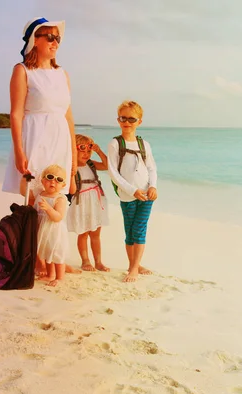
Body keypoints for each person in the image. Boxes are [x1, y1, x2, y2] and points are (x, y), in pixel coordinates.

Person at [2, 17, 77, 198]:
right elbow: (16, 114)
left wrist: (74, 152)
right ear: (35, 40)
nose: (55, 43)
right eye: (50, 37)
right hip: (35, 140)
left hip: (60, 141)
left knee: (57, 200)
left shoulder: (62, 74)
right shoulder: (22, 71)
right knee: (34, 198)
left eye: (58, 38)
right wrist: (19, 152)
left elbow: (68, 116)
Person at [107, 100, 158, 282]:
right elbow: (113, 172)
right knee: (129, 232)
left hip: (146, 195)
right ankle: (133, 265)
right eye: (123, 118)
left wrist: (153, 186)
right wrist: (132, 190)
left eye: (131, 119)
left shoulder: (144, 144)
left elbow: (151, 168)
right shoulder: (115, 143)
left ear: (139, 122)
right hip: (127, 196)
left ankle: (135, 267)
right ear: (118, 120)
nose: (127, 122)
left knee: (139, 229)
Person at [67, 134, 110, 272]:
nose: (86, 154)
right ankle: (85, 261)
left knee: (96, 234)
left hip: (96, 201)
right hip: (82, 202)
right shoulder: (71, 167)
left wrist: (98, 151)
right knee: (83, 233)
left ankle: (98, 262)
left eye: (89, 151)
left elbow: (107, 165)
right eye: (82, 151)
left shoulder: (91, 164)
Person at [34, 164, 69, 286]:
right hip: (43, 230)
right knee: (46, 252)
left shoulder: (60, 199)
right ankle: (50, 275)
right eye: (50, 177)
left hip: (55, 231)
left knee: (57, 254)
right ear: (43, 180)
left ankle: (59, 277)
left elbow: (58, 217)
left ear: (63, 185)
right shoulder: (40, 194)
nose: (53, 182)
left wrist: (48, 209)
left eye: (59, 180)